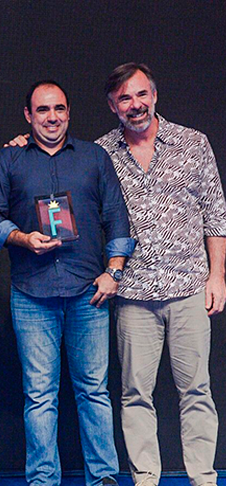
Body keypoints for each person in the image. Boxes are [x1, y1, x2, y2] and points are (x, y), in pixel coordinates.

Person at [0, 80, 133, 486]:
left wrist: (114, 272)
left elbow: (117, 218)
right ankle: (42, 479)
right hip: (31, 292)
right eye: (42, 110)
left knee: (94, 391)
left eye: (59, 109)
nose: (52, 118)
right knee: (39, 395)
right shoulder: (8, 159)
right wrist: (22, 238)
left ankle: (103, 477)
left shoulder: (94, 157)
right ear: (28, 115)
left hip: (89, 291)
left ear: (68, 112)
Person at [96, 63, 226, 486]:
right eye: (125, 98)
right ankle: (146, 478)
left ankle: (203, 478)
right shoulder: (101, 154)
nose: (135, 105)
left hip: (189, 287)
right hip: (133, 294)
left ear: (154, 96)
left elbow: (216, 214)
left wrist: (217, 276)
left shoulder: (192, 143)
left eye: (141, 95)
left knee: (197, 391)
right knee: (135, 394)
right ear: (113, 106)